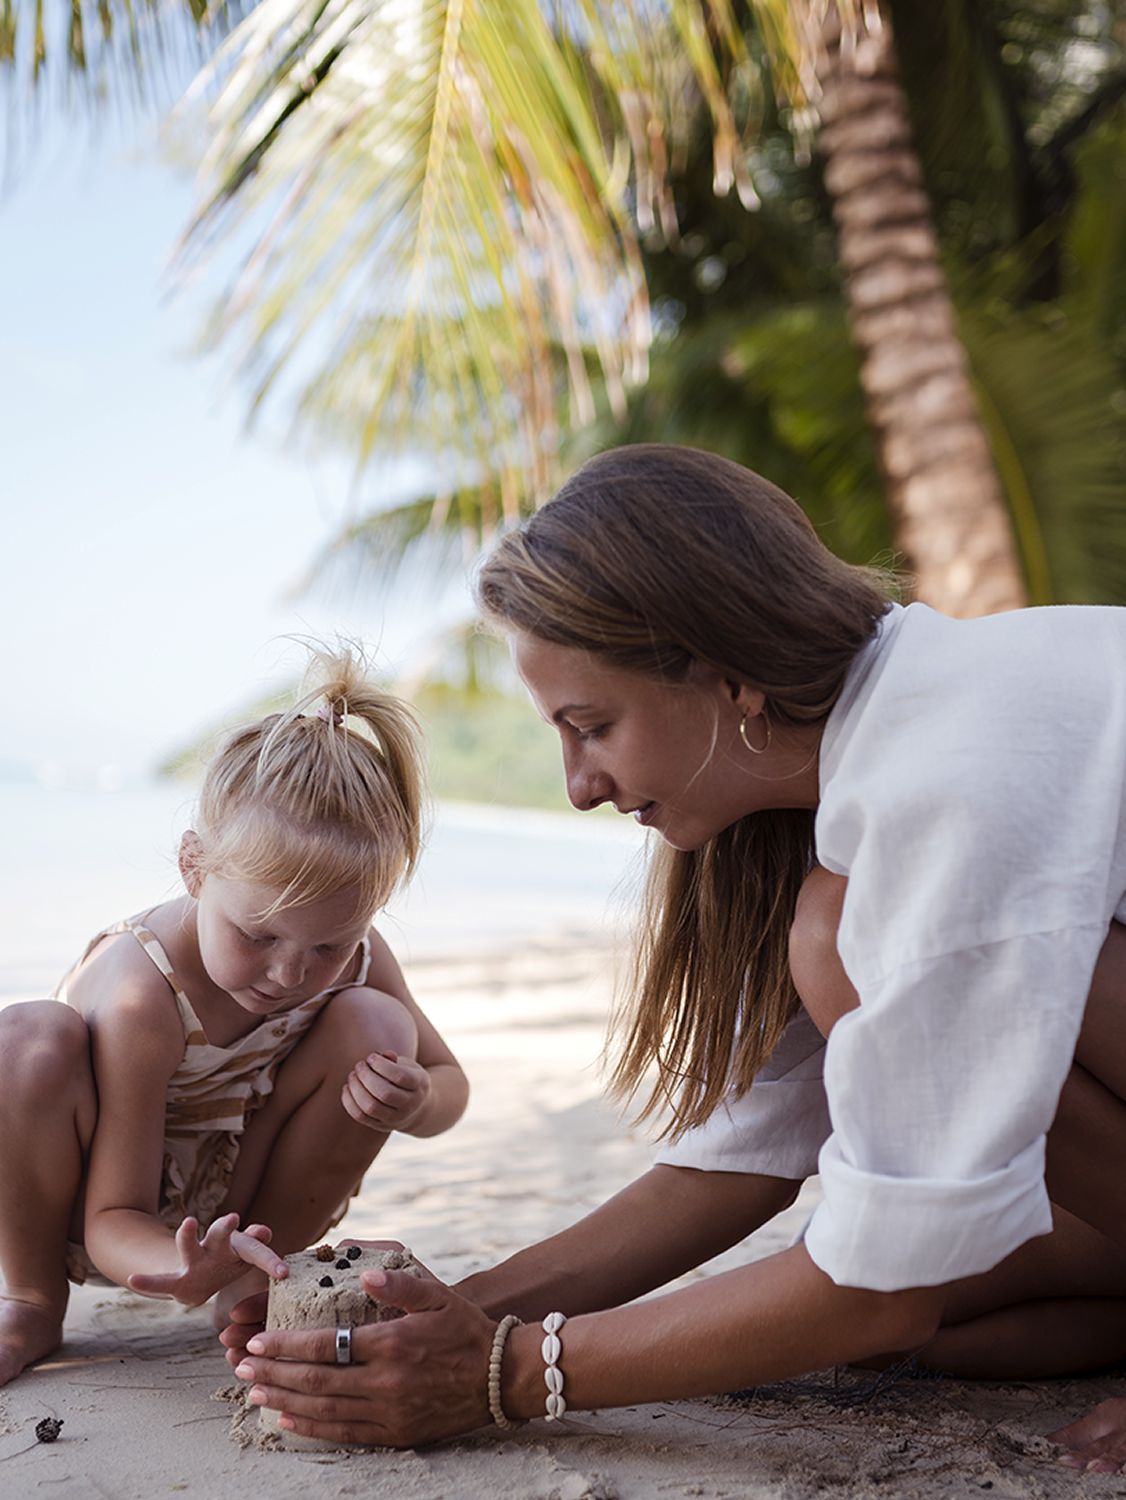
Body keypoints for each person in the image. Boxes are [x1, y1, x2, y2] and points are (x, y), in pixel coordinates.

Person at [225, 446, 1126, 1468]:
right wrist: (414, 1320)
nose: (578, 786)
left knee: (842, 974)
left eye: (590, 725)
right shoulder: (857, 771)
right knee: (940, 1315)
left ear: (720, 672)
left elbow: (881, 1284)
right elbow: (736, 1163)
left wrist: (505, 1376)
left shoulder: (940, 784)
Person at [0, 646, 469, 1387]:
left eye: (327, 945)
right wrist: (175, 1264)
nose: (290, 973)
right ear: (194, 868)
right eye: (257, 936)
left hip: (238, 1222)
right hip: (84, 1207)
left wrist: (418, 1099)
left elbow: (449, 1087)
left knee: (381, 1028)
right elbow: (111, 1214)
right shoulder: (143, 991)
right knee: (25, 1040)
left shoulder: (357, 956)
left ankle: (249, 1288)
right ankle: (28, 1300)